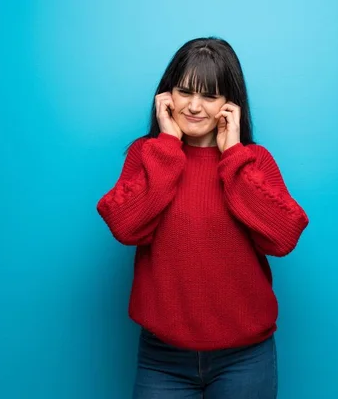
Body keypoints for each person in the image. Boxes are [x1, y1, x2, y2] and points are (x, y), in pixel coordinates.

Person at [96, 36, 309, 399]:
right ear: (167, 97)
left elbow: (284, 236)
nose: (194, 107)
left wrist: (233, 157)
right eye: (184, 92)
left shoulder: (253, 161)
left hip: (244, 358)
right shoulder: (147, 154)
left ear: (230, 105)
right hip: (162, 358)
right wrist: (166, 146)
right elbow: (125, 225)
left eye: (209, 96)